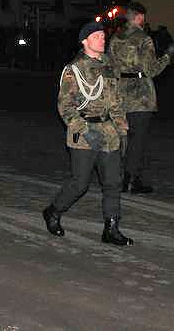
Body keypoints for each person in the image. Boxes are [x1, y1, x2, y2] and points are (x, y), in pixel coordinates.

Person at [43, 22, 133, 246]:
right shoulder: (74, 69)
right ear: (85, 41)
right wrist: (85, 131)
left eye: (103, 35)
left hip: (109, 131)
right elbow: (65, 107)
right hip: (83, 133)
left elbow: (116, 101)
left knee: (113, 182)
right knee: (80, 183)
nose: (103, 39)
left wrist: (122, 130)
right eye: (97, 36)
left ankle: (111, 229)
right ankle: (53, 211)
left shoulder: (109, 65)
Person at [108, 2, 174, 194]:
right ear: (139, 16)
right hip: (140, 96)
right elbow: (151, 69)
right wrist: (167, 56)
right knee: (137, 140)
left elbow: (110, 66)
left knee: (121, 138)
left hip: (120, 93)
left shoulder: (115, 38)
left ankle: (118, 176)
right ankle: (131, 179)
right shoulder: (143, 39)